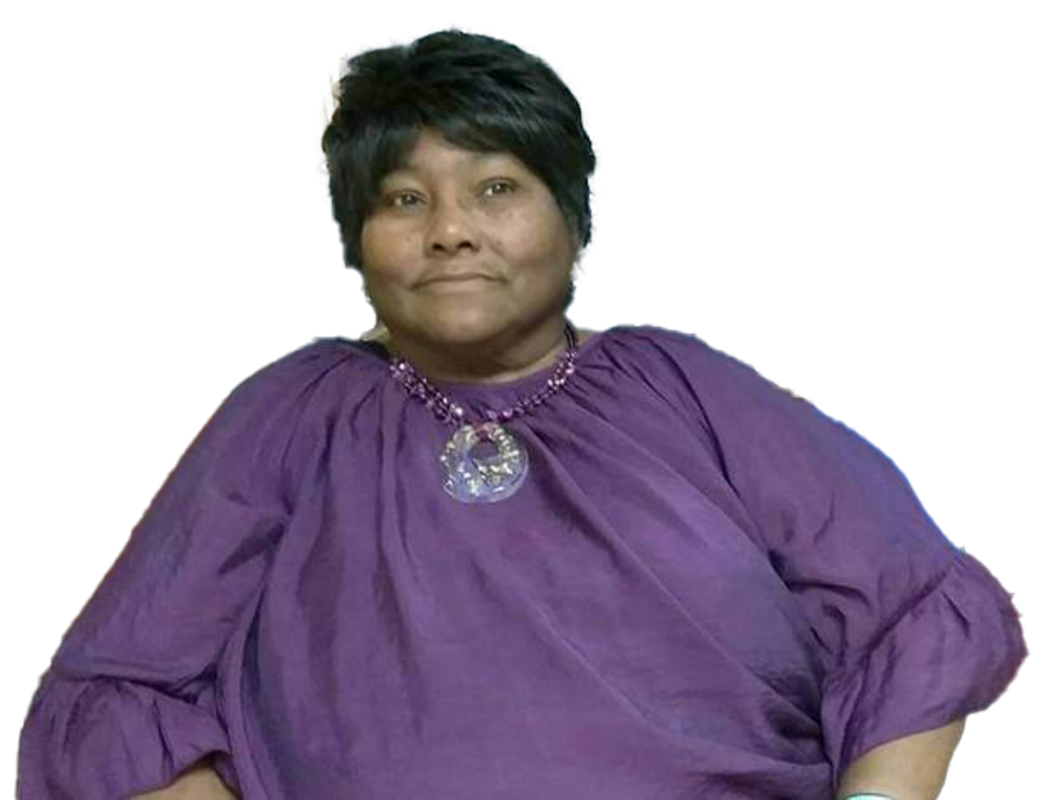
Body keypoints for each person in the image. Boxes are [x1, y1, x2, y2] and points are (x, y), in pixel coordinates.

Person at [16, 28, 1029, 799]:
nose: (450, 231)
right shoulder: (286, 413)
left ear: (575, 223)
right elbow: (112, 700)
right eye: (403, 199)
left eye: (496, 186)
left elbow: (914, 622)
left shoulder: (692, 385)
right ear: (356, 242)